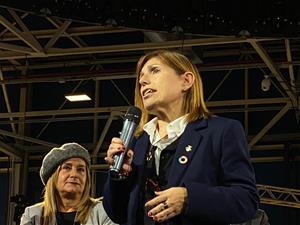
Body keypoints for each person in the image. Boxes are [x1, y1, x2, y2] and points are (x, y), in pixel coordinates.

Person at [103, 49, 259, 225]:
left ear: (186, 81)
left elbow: (246, 200)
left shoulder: (221, 131)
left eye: (154, 70)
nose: (142, 81)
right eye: (141, 78)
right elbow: (118, 214)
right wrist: (120, 177)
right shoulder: (136, 143)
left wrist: (189, 198)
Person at [20, 142, 117, 225]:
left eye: (80, 169)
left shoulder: (103, 211)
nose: (74, 174)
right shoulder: (33, 215)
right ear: (53, 177)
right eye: (67, 168)